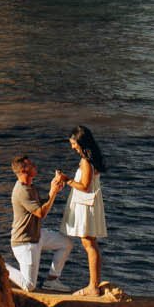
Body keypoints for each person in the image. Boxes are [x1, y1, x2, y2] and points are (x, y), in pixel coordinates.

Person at [6, 154, 74, 292]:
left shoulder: (30, 186)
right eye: (31, 165)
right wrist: (53, 193)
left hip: (36, 235)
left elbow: (40, 206)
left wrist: (52, 191)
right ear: (24, 171)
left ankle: (51, 281)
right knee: (29, 286)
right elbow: (41, 213)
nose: (35, 166)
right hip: (25, 242)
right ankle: (1, 265)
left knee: (66, 244)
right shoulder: (22, 191)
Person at [62, 125, 110, 297]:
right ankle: (94, 284)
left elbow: (84, 186)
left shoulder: (85, 161)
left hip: (86, 204)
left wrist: (66, 180)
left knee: (89, 244)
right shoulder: (92, 158)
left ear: (81, 142)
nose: (72, 146)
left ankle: (93, 286)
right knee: (90, 244)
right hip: (91, 203)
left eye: (74, 143)